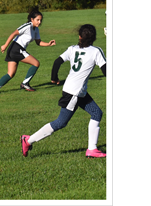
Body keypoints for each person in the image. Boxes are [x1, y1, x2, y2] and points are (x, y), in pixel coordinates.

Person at [21, 24, 106, 158]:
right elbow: (106, 71)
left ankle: (92, 149)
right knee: (61, 122)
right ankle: (28, 140)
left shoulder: (72, 49)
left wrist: (54, 78)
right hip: (75, 93)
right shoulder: (96, 51)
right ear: (94, 38)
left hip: (75, 91)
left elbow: (57, 62)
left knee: (96, 113)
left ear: (79, 36)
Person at [0, 9, 55, 94]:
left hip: (15, 50)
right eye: (37, 20)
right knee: (36, 63)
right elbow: (13, 34)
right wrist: (5, 45)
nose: (39, 22)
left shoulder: (36, 30)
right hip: (16, 49)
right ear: (32, 19)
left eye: (40, 20)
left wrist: (48, 44)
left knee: (10, 74)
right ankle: (25, 84)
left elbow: (38, 42)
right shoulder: (28, 26)